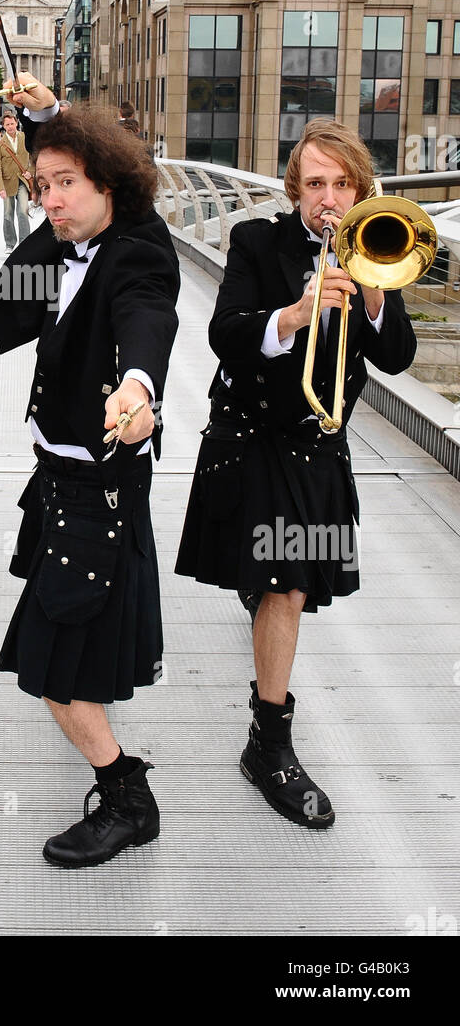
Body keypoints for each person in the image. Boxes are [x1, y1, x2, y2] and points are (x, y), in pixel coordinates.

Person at [175, 118, 417, 829]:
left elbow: (398, 358)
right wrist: (297, 312)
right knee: (284, 585)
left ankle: (265, 636)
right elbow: (225, 334)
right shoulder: (256, 241)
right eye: (317, 183)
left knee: (286, 585)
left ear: (362, 189)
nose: (331, 198)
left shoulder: (379, 251)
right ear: (294, 189)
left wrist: (372, 294)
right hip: (252, 435)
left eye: (344, 183)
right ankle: (269, 744)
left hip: (318, 442)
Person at [0, 97, 180, 867]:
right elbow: (2, 316)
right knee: (68, 634)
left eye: (66, 184)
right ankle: (99, 737)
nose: (51, 199)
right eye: (41, 186)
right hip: (57, 477)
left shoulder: (137, 249)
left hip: (96, 486)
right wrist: (57, 216)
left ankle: (126, 794)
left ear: (112, 185)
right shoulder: (67, 241)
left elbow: (147, 314)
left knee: (54, 666)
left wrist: (138, 389)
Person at [0, 111, 31, 250]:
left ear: (16, 123)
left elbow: (34, 157)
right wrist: (0, 188)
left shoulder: (25, 137)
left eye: (12, 123)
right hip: (7, 182)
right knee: (8, 214)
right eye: (7, 124)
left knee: (23, 212)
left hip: (23, 181)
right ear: (3, 126)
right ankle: (9, 244)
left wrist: (30, 172)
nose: (10, 126)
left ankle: (25, 244)